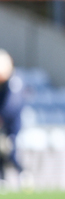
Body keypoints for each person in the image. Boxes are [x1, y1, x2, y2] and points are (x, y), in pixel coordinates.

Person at [0, 50, 24, 181]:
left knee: (10, 150)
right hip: (2, 122)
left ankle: (22, 173)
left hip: (11, 124)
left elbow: (13, 106)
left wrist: (2, 117)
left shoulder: (15, 83)